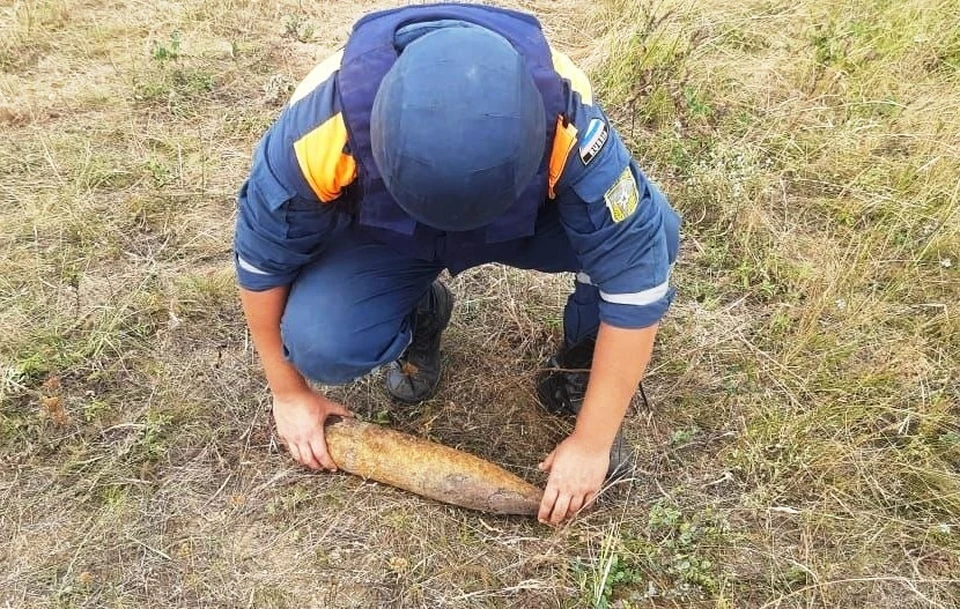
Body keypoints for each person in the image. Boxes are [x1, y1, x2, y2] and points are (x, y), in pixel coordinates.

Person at [234, 3, 680, 526]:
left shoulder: (570, 127)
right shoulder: (319, 133)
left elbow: (635, 282)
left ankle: (581, 357)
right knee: (320, 341)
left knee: (656, 232)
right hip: (386, 236)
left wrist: (591, 442)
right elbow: (262, 263)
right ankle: (418, 311)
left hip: (522, 225)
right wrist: (287, 391)